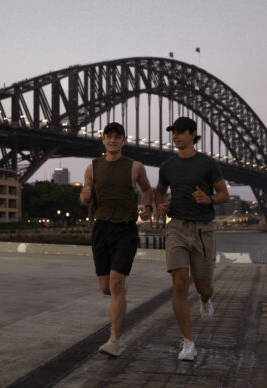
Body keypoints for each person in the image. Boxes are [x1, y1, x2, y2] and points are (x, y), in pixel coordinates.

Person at [155, 117, 229, 361]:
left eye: (180, 132)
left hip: (202, 230)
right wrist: (159, 205)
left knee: (204, 287)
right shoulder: (167, 166)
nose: (175, 136)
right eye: (173, 132)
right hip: (176, 227)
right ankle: (188, 342)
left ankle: (205, 298)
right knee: (179, 282)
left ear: (193, 134)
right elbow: (159, 191)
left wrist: (209, 199)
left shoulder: (208, 164)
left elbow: (224, 194)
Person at [80, 122, 153, 357]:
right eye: (109, 136)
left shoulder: (135, 167)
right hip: (101, 229)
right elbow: (85, 198)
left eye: (117, 137)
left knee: (116, 284)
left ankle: (114, 340)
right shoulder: (92, 168)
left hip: (125, 230)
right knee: (106, 288)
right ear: (103, 139)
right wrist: (84, 195)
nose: (113, 140)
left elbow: (147, 189)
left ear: (123, 140)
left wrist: (148, 207)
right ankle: (118, 294)